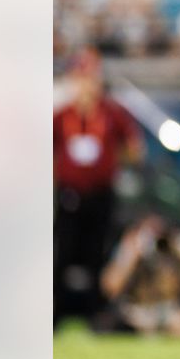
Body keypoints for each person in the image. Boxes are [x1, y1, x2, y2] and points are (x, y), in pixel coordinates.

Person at [54, 48, 144, 326]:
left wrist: (118, 159)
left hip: (101, 193)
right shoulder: (62, 115)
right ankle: (55, 312)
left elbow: (134, 148)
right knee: (62, 253)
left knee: (98, 253)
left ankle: (97, 311)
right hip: (70, 193)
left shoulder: (111, 114)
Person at [98, 214, 180, 337]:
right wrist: (131, 255)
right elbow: (110, 288)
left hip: (168, 309)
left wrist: (179, 243)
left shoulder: (173, 244)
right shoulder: (131, 245)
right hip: (136, 310)